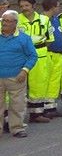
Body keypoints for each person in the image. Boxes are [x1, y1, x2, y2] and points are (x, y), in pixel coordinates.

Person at [0, 10, 38, 138]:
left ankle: (17, 129)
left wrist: (24, 71)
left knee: (17, 104)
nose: (4, 23)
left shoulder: (23, 38)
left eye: (7, 21)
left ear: (15, 23)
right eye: (3, 20)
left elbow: (33, 56)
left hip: (17, 77)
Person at [17, 0, 53, 123]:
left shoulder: (44, 20)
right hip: (21, 56)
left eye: (26, 5)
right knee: (17, 86)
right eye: (21, 6)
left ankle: (37, 113)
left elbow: (49, 39)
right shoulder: (16, 20)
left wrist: (38, 50)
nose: (24, 8)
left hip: (40, 55)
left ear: (33, 6)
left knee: (38, 85)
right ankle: (14, 117)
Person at [40, 0, 62, 118]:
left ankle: (51, 107)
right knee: (46, 81)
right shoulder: (42, 20)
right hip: (48, 53)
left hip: (58, 54)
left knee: (54, 81)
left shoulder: (55, 19)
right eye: (58, 6)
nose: (59, 8)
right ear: (52, 7)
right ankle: (43, 108)